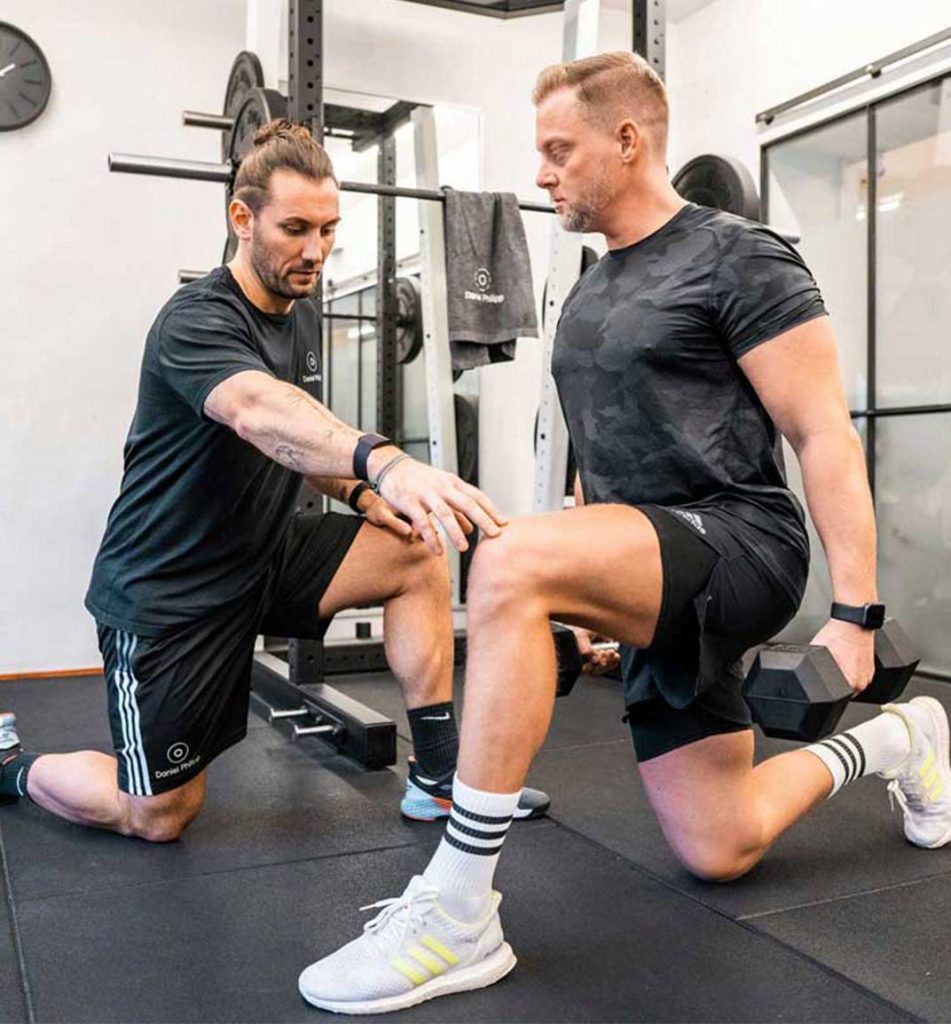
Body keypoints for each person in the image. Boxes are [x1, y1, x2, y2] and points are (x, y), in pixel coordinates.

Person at [297, 51, 951, 1015]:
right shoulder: (591, 290)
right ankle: (901, 739)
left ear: (628, 140)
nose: (542, 173)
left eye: (558, 150)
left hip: (738, 542)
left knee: (506, 554)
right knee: (718, 845)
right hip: (652, 564)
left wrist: (854, 616)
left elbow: (821, 435)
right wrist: (584, 590)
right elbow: (598, 458)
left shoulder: (741, 257)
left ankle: (457, 908)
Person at [0, 120, 550, 837]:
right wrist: (385, 464)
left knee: (414, 551)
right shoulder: (195, 321)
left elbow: (303, 439)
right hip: (172, 590)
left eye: (327, 229)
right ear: (242, 218)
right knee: (158, 816)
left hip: (263, 556)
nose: (315, 250)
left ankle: (438, 777)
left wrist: (361, 493)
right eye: (294, 228)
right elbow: (260, 413)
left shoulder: (301, 315)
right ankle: (11, 765)